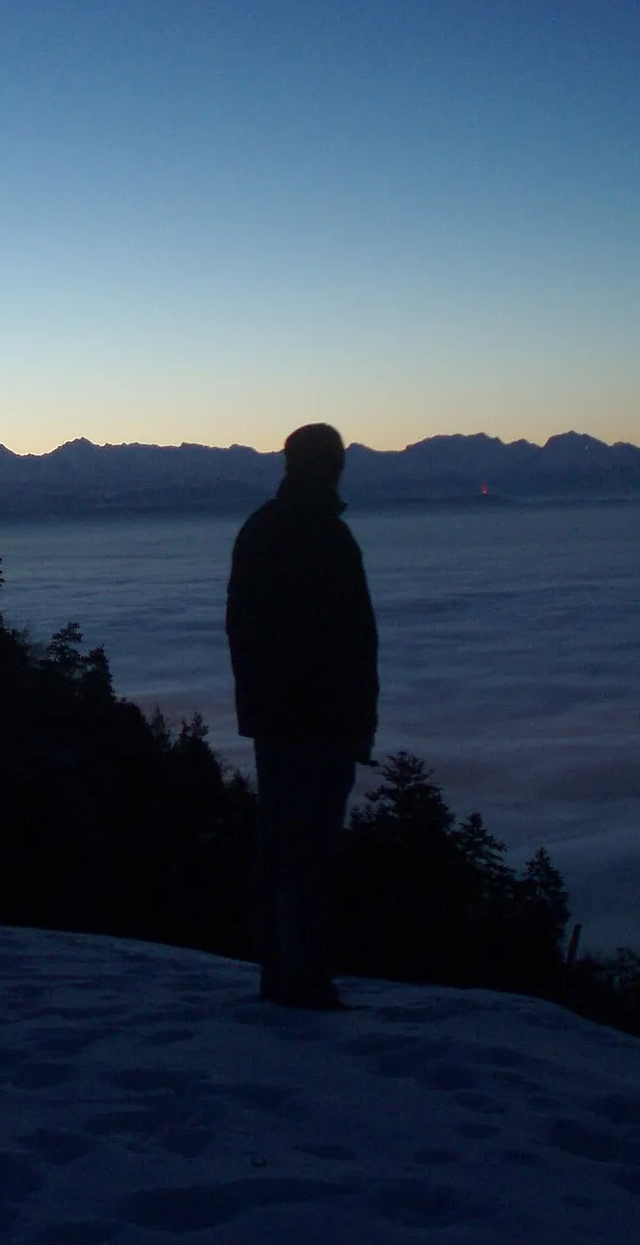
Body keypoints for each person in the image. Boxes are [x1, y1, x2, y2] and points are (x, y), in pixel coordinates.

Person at [226, 422, 379, 1008]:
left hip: (278, 716)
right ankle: (301, 977)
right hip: (317, 718)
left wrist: (262, 702)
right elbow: (348, 640)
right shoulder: (322, 535)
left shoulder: (264, 530)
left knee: (282, 843)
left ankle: (282, 971)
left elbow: (243, 628)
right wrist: (353, 717)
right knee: (308, 849)